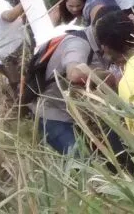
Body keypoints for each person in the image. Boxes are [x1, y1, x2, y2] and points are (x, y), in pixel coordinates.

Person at [34, 9, 111, 154]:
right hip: (53, 114)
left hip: (77, 113)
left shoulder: (99, 43)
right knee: (80, 161)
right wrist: (108, 77)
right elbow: (74, 74)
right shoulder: (77, 44)